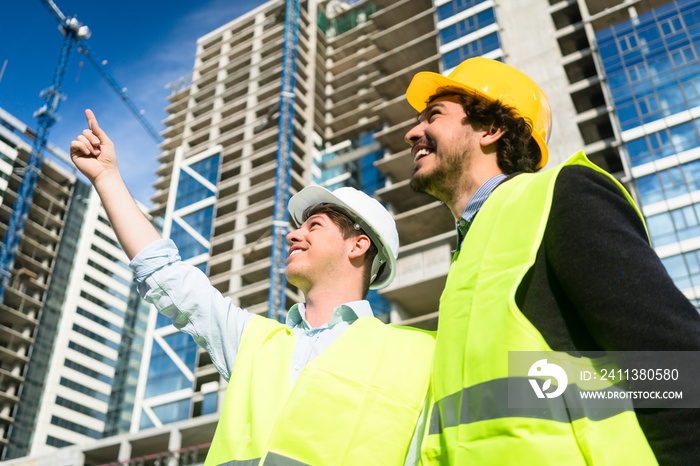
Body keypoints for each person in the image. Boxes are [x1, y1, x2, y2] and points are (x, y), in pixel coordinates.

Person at [71, 110, 435, 465]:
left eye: (315, 226)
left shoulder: (418, 355)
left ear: (357, 245)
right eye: (300, 226)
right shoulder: (255, 343)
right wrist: (106, 177)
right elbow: (165, 273)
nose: (293, 234)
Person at [403, 57, 700, 465]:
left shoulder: (560, 195)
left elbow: (676, 372)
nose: (411, 132)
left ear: (492, 129)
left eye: (433, 115)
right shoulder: (468, 254)